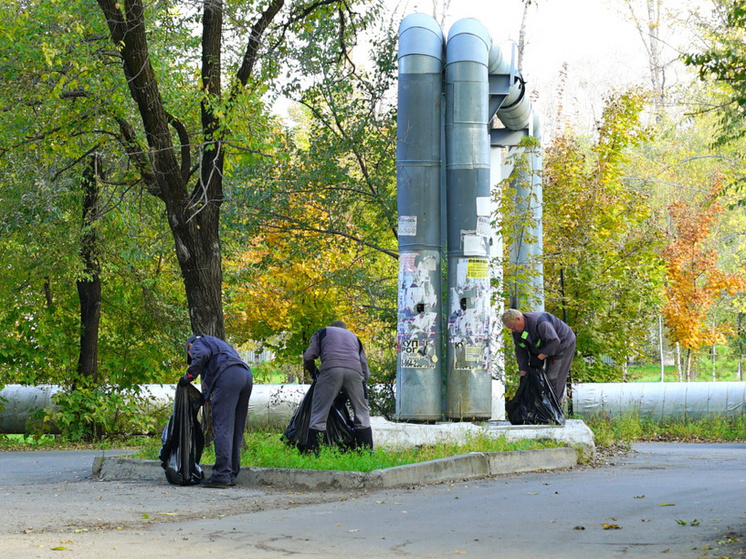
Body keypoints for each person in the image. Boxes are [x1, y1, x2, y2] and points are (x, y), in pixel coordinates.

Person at [179, 334, 253, 488]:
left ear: (189, 347)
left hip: (228, 378)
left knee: (223, 427)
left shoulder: (197, 343)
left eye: (189, 355)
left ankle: (221, 475)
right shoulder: (218, 345)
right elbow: (212, 369)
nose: (191, 357)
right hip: (245, 376)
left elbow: (201, 356)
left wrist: (188, 377)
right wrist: (206, 396)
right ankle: (231, 474)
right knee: (235, 429)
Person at [303, 320, 373, 453]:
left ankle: (312, 452)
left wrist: (314, 373)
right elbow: (366, 372)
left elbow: (308, 356)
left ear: (332, 326)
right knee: (362, 413)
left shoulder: (323, 332)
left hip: (331, 370)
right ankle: (366, 452)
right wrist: (350, 391)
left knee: (319, 413)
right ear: (345, 329)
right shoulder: (354, 338)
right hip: (355, 372)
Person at [501, 309, 576, 402]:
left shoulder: (540, 323)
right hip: (543, 347)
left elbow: (554, 341)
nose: (513, 330)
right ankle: (540, 407)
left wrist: (539, 358)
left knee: (553, 377)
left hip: (562, 344)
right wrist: (523, 371)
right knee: (535, 379)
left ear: (518, 319)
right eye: (510, 329)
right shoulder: (517, 331)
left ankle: (554, 409)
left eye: (513, 327)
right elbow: (520, 351)